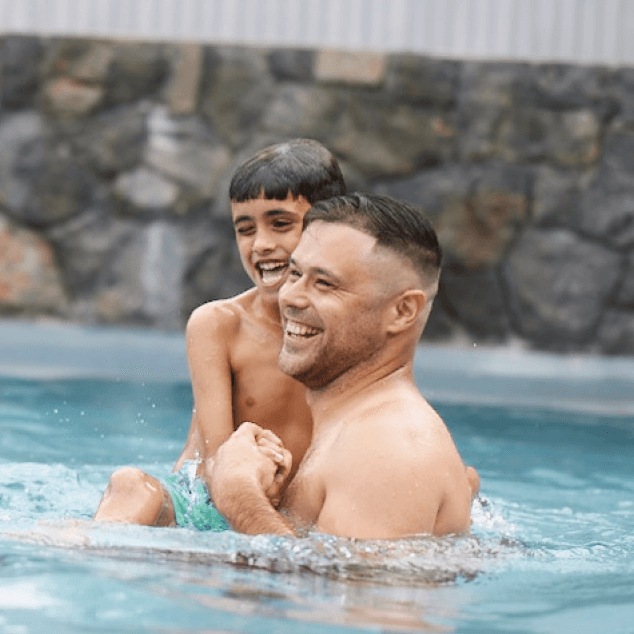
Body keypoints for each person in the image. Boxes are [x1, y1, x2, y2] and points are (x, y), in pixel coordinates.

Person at [93, 139, 346, 529]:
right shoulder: (219, 324)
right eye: (245, 230)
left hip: (299, 510)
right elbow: (217, 459)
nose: (261, 244)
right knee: (130, 486)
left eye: (281, 224)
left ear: (329, 227)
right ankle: (79, 549)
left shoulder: (356, 327)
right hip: (211, 501)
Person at [209, 193, 478, 539]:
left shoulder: (388, 447)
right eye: (295, 273)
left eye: (324, 283)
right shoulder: (353, 430)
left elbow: (352, 591)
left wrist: (238, 496)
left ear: (402, 311)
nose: (290, 297)